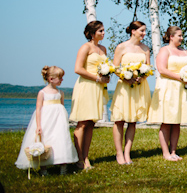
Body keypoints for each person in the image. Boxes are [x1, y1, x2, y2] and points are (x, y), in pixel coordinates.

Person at [147, 26, 187, 161]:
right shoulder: (165, 50)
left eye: (182, 36)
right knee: (167, 121)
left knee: (177, 122)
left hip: (183, 90)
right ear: (171, 36)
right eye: (179, 36)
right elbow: (162, 69)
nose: (181, 38)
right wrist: (180, 78)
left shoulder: (186, 52)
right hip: (168, 88)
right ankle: (165, 153)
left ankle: (174, 151)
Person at [15, 66, 79, 175]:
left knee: (61, 140)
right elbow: (39, 109)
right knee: (45, 141)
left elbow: (61, 107)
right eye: (60, 78)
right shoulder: (42, 93)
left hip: (58, 121)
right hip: (46, 121)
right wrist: (39, 125)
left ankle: (63, 166)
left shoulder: (60, 93)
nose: (62, 80)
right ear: (51, 79)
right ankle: (43, 168)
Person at [69, 21, 111, 170]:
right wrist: (97, 78)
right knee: (83, 122)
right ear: (92, 33)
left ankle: (86, 158)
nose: (103, 33)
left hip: (98, 88)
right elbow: (78, 69)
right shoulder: (85, 47)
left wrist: (106, 77)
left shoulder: (103, 48)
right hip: (86, 86)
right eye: (101, 31)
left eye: (104, 30)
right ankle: (78, 158)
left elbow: (105, 67)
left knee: (91, 123)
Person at [110, 21, 152, 165]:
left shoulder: (146, 49)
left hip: (139, 87)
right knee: (119, 120)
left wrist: (143, 76)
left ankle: (127, 153)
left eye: (145, 31)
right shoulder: (121, 47)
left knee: (132, 121)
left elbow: (148, 68)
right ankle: (119, 154)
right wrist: (125, 77)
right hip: (124, 87)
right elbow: (115, 68)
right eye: (141, 31)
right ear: (133, 31)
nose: (144, 34)